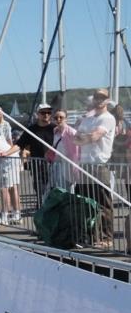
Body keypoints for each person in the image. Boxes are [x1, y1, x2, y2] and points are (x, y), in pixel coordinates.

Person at [74, 89, 117, 244]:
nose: (99, 100)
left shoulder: (108, 118)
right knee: (87, 202)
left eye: (102, 97)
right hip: (85, 165)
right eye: (97, 97)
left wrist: (85, 137)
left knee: (104, 203)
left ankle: (107, 237)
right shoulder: (88, 118)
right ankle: (92, 236)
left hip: (100, 164)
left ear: (107, 100)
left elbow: (94, 136)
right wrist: (86, 137)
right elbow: (75, 139)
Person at [15, 103, 56, 202]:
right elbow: (20, 144)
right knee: (39, 189)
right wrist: (6, 153)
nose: (46, 115)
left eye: (48, 112)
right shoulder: (31, 130)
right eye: (43, 112)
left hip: (54, 164)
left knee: (54, 189)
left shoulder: (55, 128)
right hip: (37, 165)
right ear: (38, 114)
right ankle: (41, 209)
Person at [48, 109, 79, 191]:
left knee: (69, 190)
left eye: (61, 117)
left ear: (66, 119)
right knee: (59, 189)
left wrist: (75, 166)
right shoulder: (55, 132)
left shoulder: (72, 132)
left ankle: (70, 204)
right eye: (56, 118)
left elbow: (78, 150)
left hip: (69, 166)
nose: (58, 120)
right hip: (58, 165)